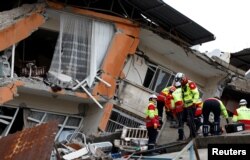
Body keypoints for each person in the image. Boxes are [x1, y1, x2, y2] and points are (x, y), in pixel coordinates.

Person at [174, 72, 200, 139]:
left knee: (190, 120)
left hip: (191, 105)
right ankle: (187, 135)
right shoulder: (182, 85)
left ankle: (193, 135)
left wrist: (194, 102)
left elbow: (196, 94)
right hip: (185, 106)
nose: (180, 83)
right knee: (183, 120)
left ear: (183, 78)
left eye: (180, 81)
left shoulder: (190, 84)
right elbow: (183, 96)